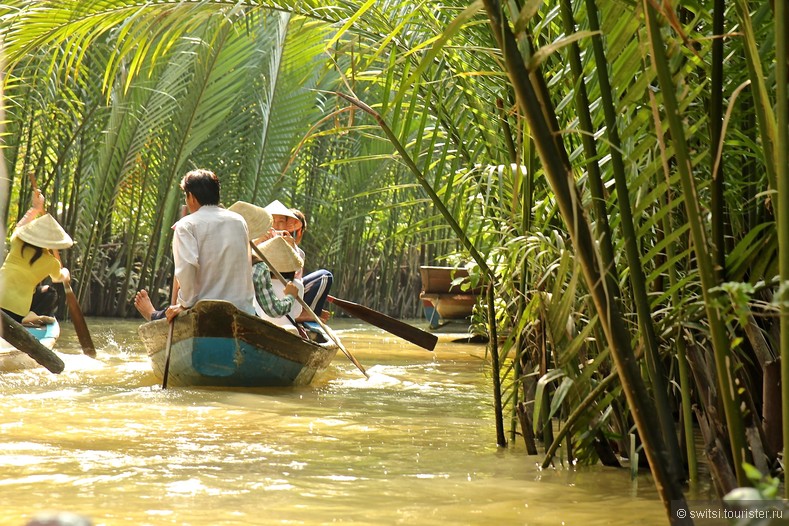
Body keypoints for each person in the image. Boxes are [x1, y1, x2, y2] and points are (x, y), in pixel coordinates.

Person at [134, 169, 255, 322]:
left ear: (191, 197)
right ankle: (157, 314)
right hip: (243, 310)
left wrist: (184, 305)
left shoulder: (186, 225)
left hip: (203, 310)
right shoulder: (239, 221)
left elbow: (186, 267)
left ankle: (153, 315)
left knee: (172, 312)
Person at [0, 189, 73, 325]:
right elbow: (59, 278)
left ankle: (29, 316)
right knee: (50, 292)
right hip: (17, 314)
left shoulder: (17, 241)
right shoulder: (52, 262)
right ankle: (31, 316)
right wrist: (66, 273)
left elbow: (20, 225)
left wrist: (35, 208)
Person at [253, 235, 305, 333]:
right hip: (291, 331)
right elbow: (297, 314)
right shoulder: (297, 285)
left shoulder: (258, 282)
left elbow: (258, 311)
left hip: (265, 330)